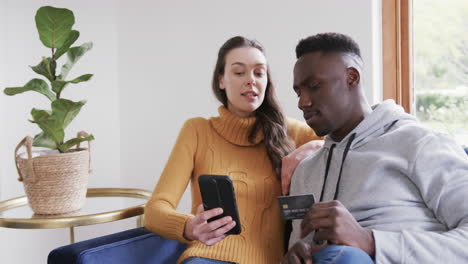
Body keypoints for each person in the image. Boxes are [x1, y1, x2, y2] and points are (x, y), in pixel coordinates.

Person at [283, 32, 468, 264]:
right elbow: (298, 242)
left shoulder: (420, 144)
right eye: (298, 92)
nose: (303, 102)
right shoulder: (306, 170)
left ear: (352, 77)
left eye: (314, 86)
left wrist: (372, 241)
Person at [144, 36, 322, 264]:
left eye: (259, 73)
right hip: (206, 258)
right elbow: (155, 210)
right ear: (221, 80)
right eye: (239, 73)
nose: (251, 80)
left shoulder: (291, 132)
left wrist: (308, 148)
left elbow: (344, 141)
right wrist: (189, 226)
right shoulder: (197, 130)